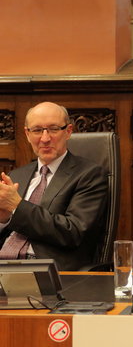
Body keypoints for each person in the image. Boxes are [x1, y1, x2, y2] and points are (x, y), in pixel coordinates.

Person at [0, 102, 108, 270]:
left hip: (48, 270)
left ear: (68, 131)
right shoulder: (16, 175)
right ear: (27, 134)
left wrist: (18, 206)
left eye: (53, 129)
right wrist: (4, 218)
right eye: (37, 130)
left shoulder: (89, 175)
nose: (45, 138)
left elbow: (73, 231)